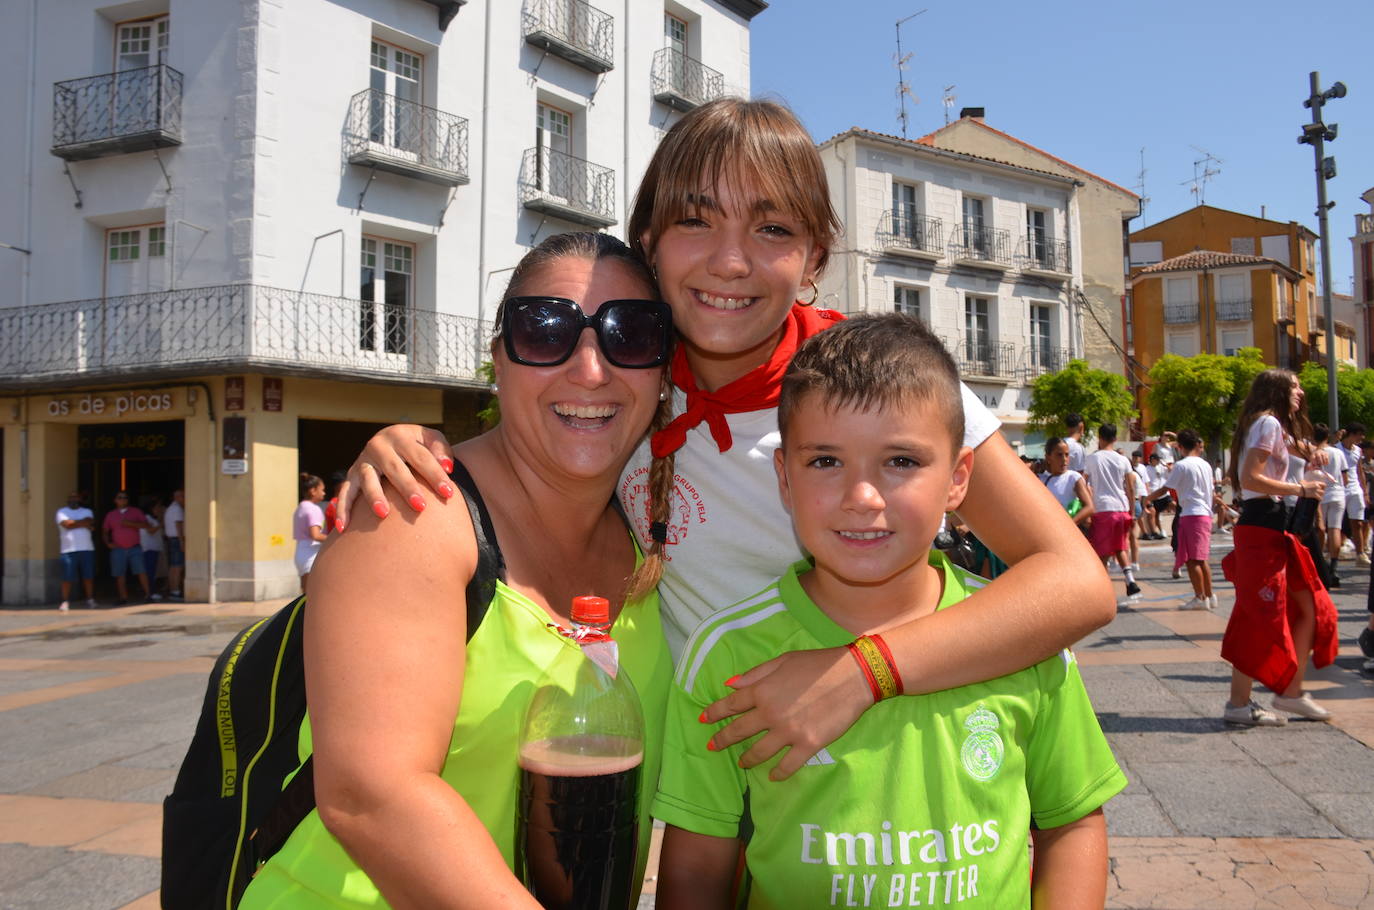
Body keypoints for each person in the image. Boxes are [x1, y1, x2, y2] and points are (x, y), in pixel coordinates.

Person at [335, 97, 1115, 779]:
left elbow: (1075, 584)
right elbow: (520, 455)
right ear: (648, 242)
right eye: (695, 221)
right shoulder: (624, 382)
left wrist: (860, 673)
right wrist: (408, 440)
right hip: (735, 805)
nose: (731, 261)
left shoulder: (877, 384)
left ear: (813, 256)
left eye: (771, 228)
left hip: (917, 769)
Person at [240, 232, 674, 908]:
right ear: (498, 360)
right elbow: (372, 797)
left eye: (632, 334)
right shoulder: (413, 513)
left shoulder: (652, 538)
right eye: (544, 330)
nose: (591, 369)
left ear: (664, 372)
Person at [653, 315, 1124, 909]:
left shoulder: (1024, 641)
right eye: (825, 461)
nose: (862, 497)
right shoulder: (726, 654)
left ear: (957, 479)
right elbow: (696, 867)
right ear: (784, 479)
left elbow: (1072, 823)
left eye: (900, 461)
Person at [1220, 369, 1337, 726]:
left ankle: (1290, 693)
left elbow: (1296, 449)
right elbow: (1250, 478)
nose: (1300, 391)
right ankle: (1240, 704)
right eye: (1295, 386)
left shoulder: (1269, 426)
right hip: (1262, 527)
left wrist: (1315, 453)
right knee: (1261, 616)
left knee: (1310, 608)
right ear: (1277, 390)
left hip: (1272, 529)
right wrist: (1301, 489)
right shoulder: (1267, 424)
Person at [1083, 424, 1140, 604]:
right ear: (1115, 439)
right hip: (1121, 508)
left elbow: (1084, 483)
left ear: (1099, 437)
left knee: (1102, 552)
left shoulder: (1092, 459)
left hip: (1103, 508)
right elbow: (1131, 486)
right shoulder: (1122, 460)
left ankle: (1103, 592)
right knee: (1120, 547)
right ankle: (1130, 580)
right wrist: (1132, 509)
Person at [1164, 430, 1215, 611]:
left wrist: (1148, 498)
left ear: (1180, 446)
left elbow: (1167, 487)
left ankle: (1199, 597)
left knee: (1192, 560)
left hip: (1190, 514)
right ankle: (1209, 595)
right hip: (1204, 514)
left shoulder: (1182, 465)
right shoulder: (1206, 465)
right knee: (1201, 559)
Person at [101, 490, 152, 605]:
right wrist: (108, 543)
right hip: (118, 548)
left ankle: (148, 595)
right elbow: (105, 531)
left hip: (135, 547)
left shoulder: (136, 512)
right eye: (120, 497)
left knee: (141, 571)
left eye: (125, 497)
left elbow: (146, 525)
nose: (122, 499)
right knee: (120, 574)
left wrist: (131, 523)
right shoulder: (110, 515)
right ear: (115, 500)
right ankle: (123, 597)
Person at [1313, 423, 1348, 586]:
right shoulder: (1337, 452)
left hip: (1320, 492)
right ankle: (1333, 567)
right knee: (1335, 529)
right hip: (1338, 492)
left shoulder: (1313, 452)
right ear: (1328, 436)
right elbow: (1345, 476)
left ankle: (1319, 565)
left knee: (1320, 529)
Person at [55, 490, 97, 611]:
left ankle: (90, 599)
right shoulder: (61, 512)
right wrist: (83, 523)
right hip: (68, 550)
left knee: (88, 576)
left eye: (76, 497)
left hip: (87, 549)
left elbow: (89, 521)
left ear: (80, 499)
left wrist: (75, 523)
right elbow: (66, 525)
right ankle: (64, 601)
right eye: (71, 497)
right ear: (68, 499)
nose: (74, 499)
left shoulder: (87, 511)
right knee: (67, 577)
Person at [1041, 436, 1094, 529]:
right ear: (1048, 457)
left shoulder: (1073, 477)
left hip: (1069, 532)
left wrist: (1070, 524)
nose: (1064, 459)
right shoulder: (1044, 481)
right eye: (1059, 455)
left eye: (1066, 454)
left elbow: (1089, 507)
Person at [291, 475, 328, 595]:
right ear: (313, 491)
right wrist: (335, 540)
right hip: (311, 553)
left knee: (305, 592)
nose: (324, 493)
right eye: (321, 489)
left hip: (301, 551)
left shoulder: (300, 507)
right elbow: (316, 535)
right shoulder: (313, 509)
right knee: (312, 595)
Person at [1342, 422, 1368, 565]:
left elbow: (1360, 471)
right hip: (1340, 489)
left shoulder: (1358, 450)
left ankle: (1360, 554)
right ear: (1352, 434)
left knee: (1357, 522)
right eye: (1359, 434)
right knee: (1337, 522)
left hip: (1355, 489)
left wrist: (1364, 492)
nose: (1362, 438)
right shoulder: (1336, 448)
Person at [138, 495, 166, 601]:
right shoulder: (147, 518)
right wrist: (161, 525)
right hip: (148, 548)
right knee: (150, 571)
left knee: (152, 571)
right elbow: (150, 530)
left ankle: (152, 591)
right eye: (157, 507)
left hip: (154, 548)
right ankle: (151, 592)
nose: (158, 510)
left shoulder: (153, 519)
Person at [164, 488, 185, 598]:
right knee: (177, 567)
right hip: (176, 540)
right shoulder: (177, 509)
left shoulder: (170, 508)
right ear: (177, 497)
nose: (184, 499)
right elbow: (179, 526)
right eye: (182, 496)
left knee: (173, 566)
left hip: (172, 540)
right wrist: (182, 542)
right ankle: (175, 591)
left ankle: (173, 590)